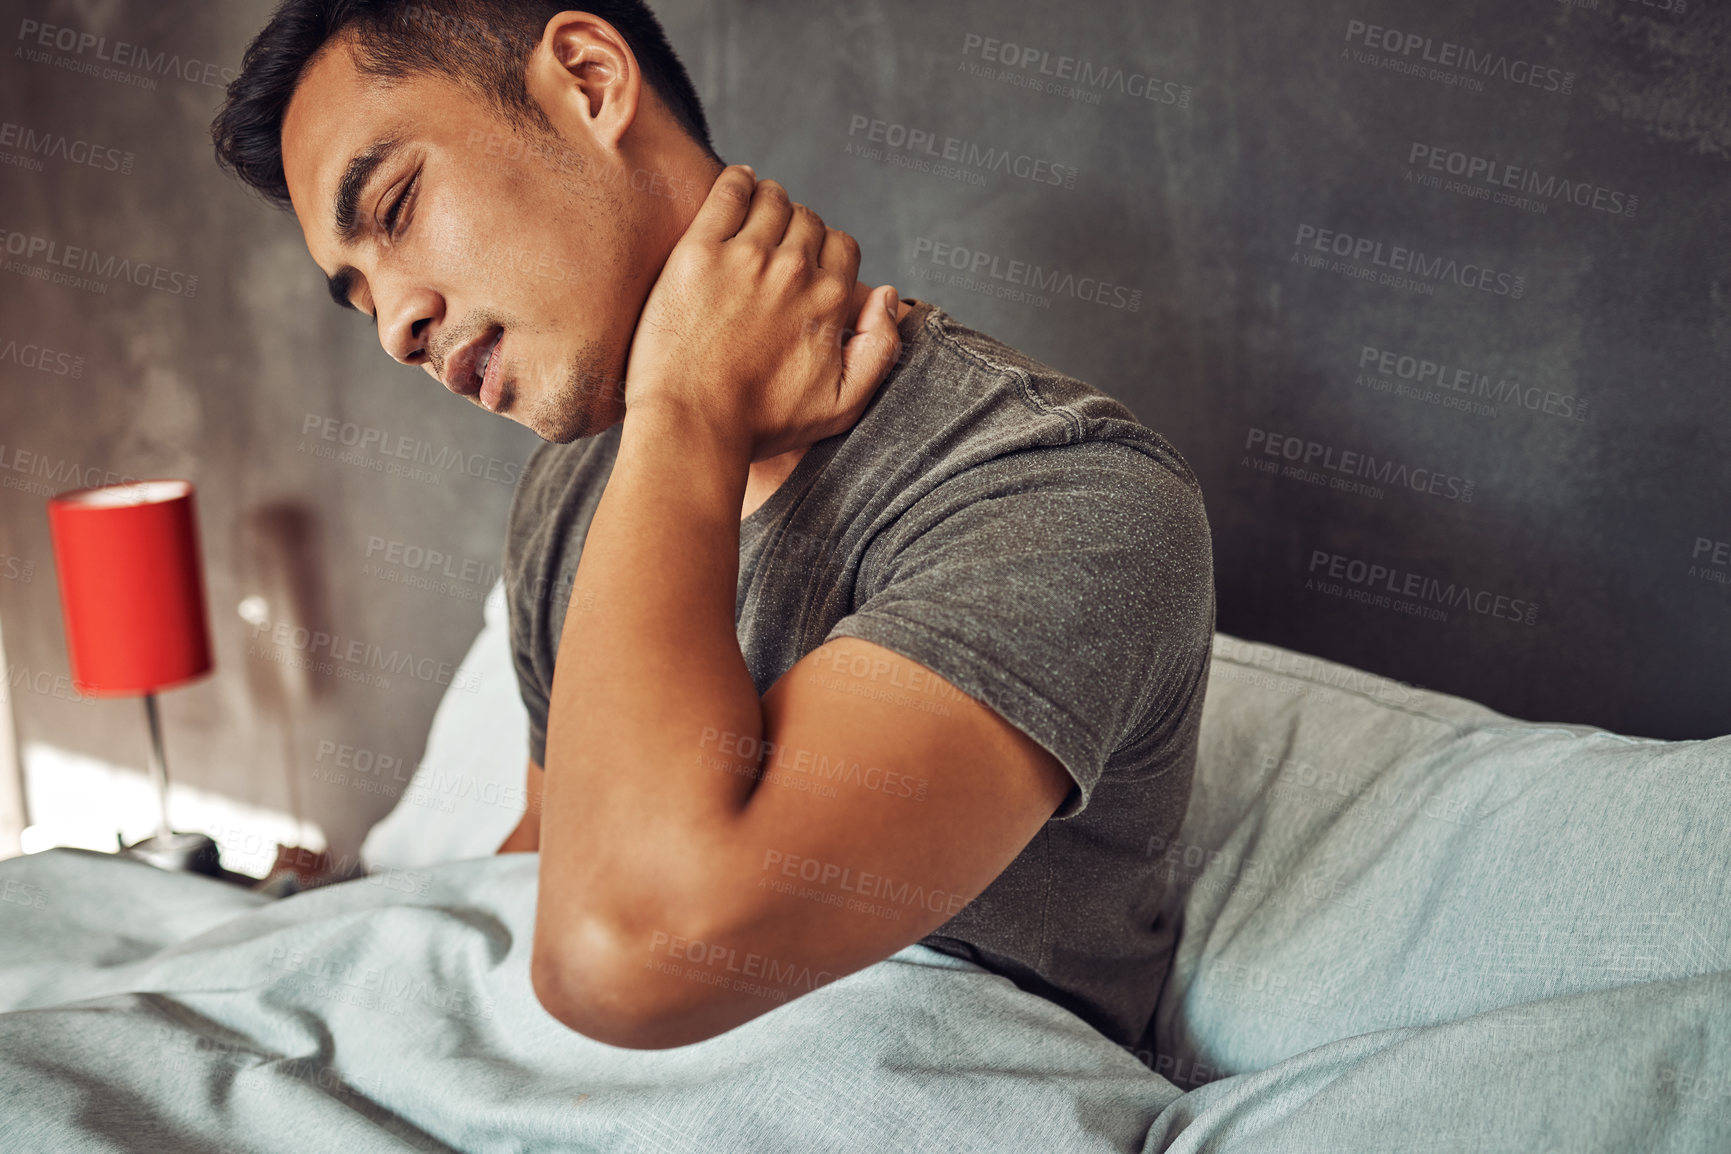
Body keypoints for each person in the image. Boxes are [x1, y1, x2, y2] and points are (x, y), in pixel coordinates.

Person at [210, 0, 1216, 1057]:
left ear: (592, 81)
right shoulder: (573, 495)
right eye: (358, 294)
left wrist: (689, 410)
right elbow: (547, 870)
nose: (395, 328)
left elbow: (626, 947)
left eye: (399, 205)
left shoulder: (1063, 492)